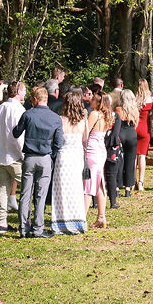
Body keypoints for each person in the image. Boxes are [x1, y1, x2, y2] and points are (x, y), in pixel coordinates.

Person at [13, 86, 65, 237]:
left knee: (25, 194)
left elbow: (16, 132)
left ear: (35, 100)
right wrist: (51, 154)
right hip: (45, 158)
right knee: (41, 195)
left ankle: (23, 228)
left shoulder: (28, 114)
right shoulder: (56, 118)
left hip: (29, 157)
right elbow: (59, 143)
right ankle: (38, 228)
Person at [0, 81, 25, 234]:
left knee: (3, 188)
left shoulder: (1, 107)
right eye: (24, 91)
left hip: (1, 154)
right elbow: (20, 136)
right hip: (15, 155)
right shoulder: (19, 109)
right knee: (28, 187)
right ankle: (25, 220)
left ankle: (3, 223)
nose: (25, 94)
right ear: (18, 92)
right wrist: (23, 154)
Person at [50, 90, 88, 235]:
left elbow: (55, 140)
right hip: (76, 156)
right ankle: (77, 220)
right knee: (76, 189)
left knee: (61, 190)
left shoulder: (60, 120)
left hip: (63, 157)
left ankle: (61, 221)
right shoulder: (83, 122)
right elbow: (85, 140)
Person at [84, 90, 110, 224]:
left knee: (88, 184)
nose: (91, 101)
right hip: (101, 151)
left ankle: (81, 218)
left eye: (93, 99)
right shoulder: (107, 116)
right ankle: (101, 216)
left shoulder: (94, 114)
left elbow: (86, 132)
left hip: (92, 150)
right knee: (99, 183)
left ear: (99, 102)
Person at [98, 93, 124, 212]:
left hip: (99, 146)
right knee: (111, 175)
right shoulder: (115, 116)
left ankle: (95, 202)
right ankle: (113, 201)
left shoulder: (97, 116)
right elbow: (115, 134)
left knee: (98, 174)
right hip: (112, 148)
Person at [116, 89, 140, 196]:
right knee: (130, 161)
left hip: (121, 133)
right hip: (131, 134)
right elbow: (136, 124)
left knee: (119, 161)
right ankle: (128, 188)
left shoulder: (118, 109)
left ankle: (116, 187)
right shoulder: (135, 109)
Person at [134, 80, 153, 191]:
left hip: (134, 128)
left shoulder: (134, 100)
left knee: (133, 157)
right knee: (142, 156)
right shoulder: (150, 100)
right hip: (145, 129)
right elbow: (152, 116)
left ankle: (133, 181)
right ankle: (141, 182)